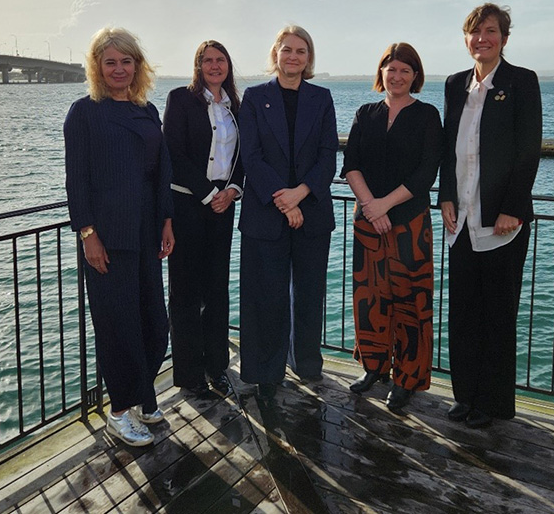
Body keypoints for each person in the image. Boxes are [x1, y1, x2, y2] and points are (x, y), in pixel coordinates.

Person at [63, 27, 174, 447]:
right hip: (108, 238)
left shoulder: (147, 112)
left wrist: (167, 220)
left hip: (147, 233)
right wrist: (87, 233)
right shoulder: (84, 112)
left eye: (126, 61)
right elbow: (77, 181)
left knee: (153, 321)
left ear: (137, 66)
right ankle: (120, 411)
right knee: (117, 325)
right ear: (97, 66)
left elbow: (161, 173)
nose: (119, 69)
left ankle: (145, 396)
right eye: (110, 61)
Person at [440, 3, 542, 428]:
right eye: (475, 32)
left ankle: (494, 403)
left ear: (504, 37)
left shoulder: (521, 82)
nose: (483, 38)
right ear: (466, 39)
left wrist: (512, 210)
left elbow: (528, 150)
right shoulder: (454, 84)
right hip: (460, 218)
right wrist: (445, 196)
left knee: (497, 315)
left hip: (502, 222)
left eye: (491, 31)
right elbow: (449, 148)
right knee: (462, 312)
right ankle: (465, 396)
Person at [238, 25, 337, 401]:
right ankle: (265, 372)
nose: (293, 57)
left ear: (309, 58)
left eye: (301, 51)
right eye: (287, 50)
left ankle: (307, 364)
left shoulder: (322, 98)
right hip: (266, 214)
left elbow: (328, 155)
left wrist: (300, 194)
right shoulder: (254, 97)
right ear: (275, 54)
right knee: (266, 296)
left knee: (310, 295)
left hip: (311, 210)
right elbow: (251, 156)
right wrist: (283, 199)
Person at [342, 43, 442, 413]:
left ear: (415, 76)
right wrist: (371, 205)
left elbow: (426, 172)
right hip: (367, 222)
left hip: (410, 223)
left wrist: (384, 204)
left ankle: (407, 379)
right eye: (391, 69)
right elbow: (351, 164)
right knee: (370, 299)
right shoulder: (365, 113)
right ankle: (373, 368)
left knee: (410, 303)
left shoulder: (428, 116)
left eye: (405, 70)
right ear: (380, 72)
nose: (397, 76)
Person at [163, 40, 243, 398]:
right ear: (198, 66)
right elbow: (174, 154)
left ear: (228, 65)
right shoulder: (180, 99)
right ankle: (189, 374)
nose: (214, 66)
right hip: (189, 204)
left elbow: (243, 156)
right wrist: (209, 194)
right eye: (207, 60)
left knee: (216, 288)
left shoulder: (235, 105)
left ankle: (217, 366)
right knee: (184, 291)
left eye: (220, 60)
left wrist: (233, 190)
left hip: (224, 206)